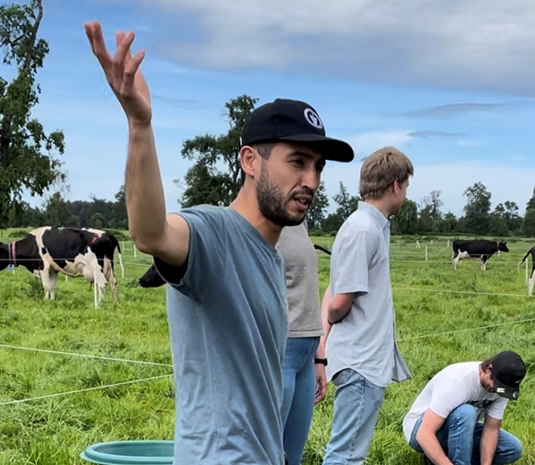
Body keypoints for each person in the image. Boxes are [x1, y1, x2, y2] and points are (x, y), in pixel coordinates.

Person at [83, 21, 355, 465]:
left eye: (319, 167)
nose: (311, 181)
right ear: (250, 160)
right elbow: (151, 233)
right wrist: (139, 126)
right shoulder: (214, 233)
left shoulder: (270, 252)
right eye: (297, 162)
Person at [320, 146, 414, 465]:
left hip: (365, 359)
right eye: (406, 186)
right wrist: (333, 315)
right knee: (346, 455)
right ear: (396, 185)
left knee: (349, 452)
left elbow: (336, 286)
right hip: (360, 360)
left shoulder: (370, 226)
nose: (405, 194)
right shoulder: (363, 229)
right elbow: (340, 298)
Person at [402, 351, 526, 465]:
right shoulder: (457, 381)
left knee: (512, 448)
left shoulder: (502, 389)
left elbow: (491, 429)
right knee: (466, 413)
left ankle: (439, 456)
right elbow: (424, 434)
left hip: (460, 429)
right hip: (420, 428)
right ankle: (442, 456)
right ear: (489, 368)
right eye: (497, 386)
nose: (496, 391)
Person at [276, 221, 329, 465]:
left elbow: (306, 290)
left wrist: (318, 356)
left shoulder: (299, 221)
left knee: (292, 457)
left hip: (305, 357)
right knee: (269, 453)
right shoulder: (255, 221)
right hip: (280, 352)